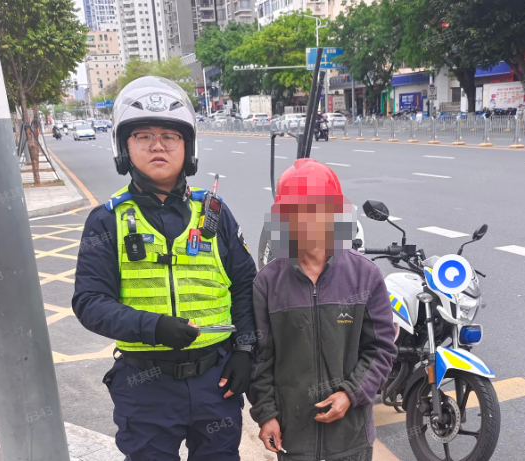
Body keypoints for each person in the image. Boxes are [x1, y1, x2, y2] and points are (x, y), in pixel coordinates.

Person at [72, 76, 258, 461]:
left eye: (170, 136)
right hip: (145, 386)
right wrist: (153, 326)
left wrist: (244, 350)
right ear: (124, 147)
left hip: (215, 380)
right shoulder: (107, 221)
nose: (157, 145)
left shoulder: (215, 214)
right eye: (143, 135)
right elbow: (89, 302)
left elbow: (245, 287)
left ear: (187, 146)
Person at [249, 158, 398, 460]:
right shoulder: (267, 283)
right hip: (294, 439)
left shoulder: (365, 275)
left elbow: (381, 348)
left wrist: (350, 394)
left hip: (352, 438)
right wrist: (266, 415)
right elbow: (260, 359)